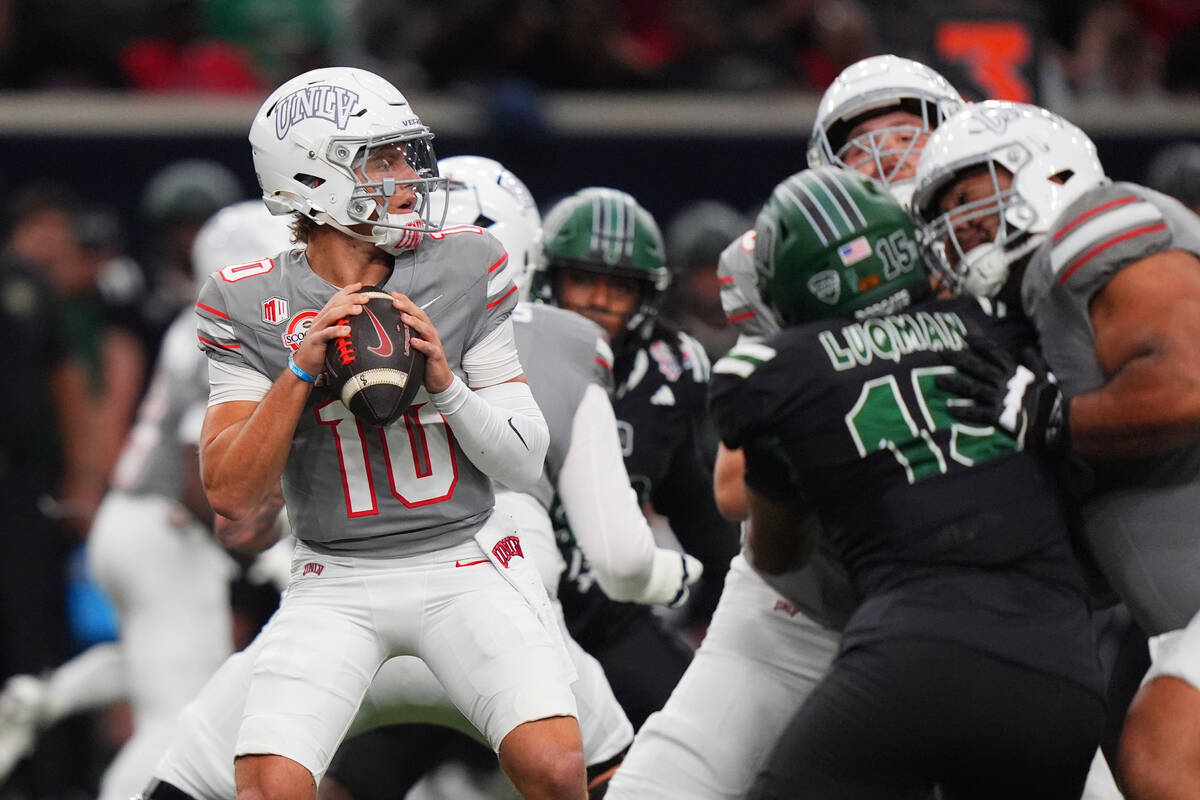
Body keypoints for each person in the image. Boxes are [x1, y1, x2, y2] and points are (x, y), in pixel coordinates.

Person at [137, 155, 700, 800]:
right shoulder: (565, 339)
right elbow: (615, 551)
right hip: (488, 599)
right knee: (614, 774)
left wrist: (301, 390)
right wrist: (677, 577)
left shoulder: (294, 311)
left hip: (351, 598)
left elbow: (243, 521)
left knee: (201, 773)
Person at [195, 67, 583, 800]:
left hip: (463, 556)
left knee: (557, 767)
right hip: (333, 574)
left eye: (407, 154)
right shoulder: (247, 300)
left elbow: (523, 459)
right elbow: (231, 494)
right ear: (312, 177)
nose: (409, 176)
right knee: (269, 788)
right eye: (381, 159)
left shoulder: (465, 262)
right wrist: (300, 371)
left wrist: (447, 385)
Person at [607, 54, 964, 800]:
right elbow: (734, 487)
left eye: (906, 136)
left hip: (960, 601)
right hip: (799, 602)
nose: (889, 160)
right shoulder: (801, 269)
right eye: (865, 146)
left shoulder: (993, 262)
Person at [709, 166, 1104, 799]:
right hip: (1065, 667)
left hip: (916, 649)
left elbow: (776, 555)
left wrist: (785, 468)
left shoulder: (770, 373)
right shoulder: (1000, 321)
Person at [911, 98, 1200, 791]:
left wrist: (1050, 416)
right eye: (945, 213)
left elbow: (1188, 383)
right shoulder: (1039, 314)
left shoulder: (1094, 223)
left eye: (967, 197)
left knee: (1161, 753)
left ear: (1044, 169)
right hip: (1174, 618)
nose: (959, 225)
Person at [0, 201, 293, 799]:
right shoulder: (236, 326)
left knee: (158, 661)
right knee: (177, 713)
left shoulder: (200, 318)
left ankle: (41, 699)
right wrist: (259, 546)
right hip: (170, 526)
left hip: (135, 521)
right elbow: (196, 465)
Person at [527, 186, 734, 725]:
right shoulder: (497, 351)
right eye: (583, 280)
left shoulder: (669, 371)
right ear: (550, 279)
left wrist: (727, 600)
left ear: (644, 296)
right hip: (500, 606)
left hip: (604, 613)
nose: (598, 300)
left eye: (618, 287)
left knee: (701, 732)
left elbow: (692, 499)